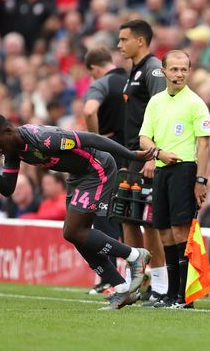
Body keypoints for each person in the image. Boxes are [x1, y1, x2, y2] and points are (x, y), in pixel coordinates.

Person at [0, 114, 154, 310]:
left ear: (8, 131)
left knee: (73, 231)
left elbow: (92, 139)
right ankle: (122, 289)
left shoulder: (43, 138)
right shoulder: (13, 152)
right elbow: (8, 189)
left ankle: (134, 256)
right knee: (75, 235)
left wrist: (131, 155)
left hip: (97, 167)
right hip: (78, 176)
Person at [139, 50, 210, 309]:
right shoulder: (156, 102)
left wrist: (200, 180)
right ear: (164, 71)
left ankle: (184, 297)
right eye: (174, 69)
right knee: (164, 232)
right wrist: (158, 153)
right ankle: (171, 294)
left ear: (189, 71)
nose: (179, 74)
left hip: (185, 170)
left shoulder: (195, 103)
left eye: (184, 69)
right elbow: (144, 138)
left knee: (181, 231)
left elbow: (204, 146)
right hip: (161, 170)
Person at [118, 19, 168, 303]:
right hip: (132, 155)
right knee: (127, 217)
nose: (119, 45)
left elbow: (162, 111)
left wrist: (154, 154)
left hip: (147, 154)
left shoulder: (153, 69)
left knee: (149, 221)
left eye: (124, 39)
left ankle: (160, 284)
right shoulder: (135, 70)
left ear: (140, 41)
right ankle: (134, 279)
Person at [83, 45, 127, 294]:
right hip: (133, 155)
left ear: (94, 68)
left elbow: (89, 110)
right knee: (127, 217)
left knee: (103, 214)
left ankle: (109, 279)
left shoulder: (102, 84)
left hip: (109, 156)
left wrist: (95, 138)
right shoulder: (131, 82)